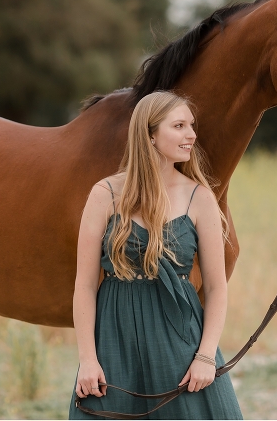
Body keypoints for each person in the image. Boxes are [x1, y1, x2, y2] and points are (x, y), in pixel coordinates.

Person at [69, 91, 243, 419]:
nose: (191, 134)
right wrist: (88, 359)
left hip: (180, 338)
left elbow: (217, 288)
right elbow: (85, 285)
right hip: (114, 336)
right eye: (178, 126)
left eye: (191, 125)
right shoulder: (104, 194)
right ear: (150, 135)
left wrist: (206, 356)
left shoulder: (200, 197)